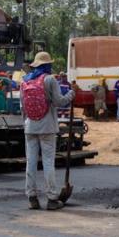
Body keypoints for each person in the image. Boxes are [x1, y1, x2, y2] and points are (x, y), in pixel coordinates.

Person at [21, 51, 77, 210]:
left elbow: (23, 107)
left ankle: (32, 197)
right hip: (47, 127)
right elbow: (60, 102)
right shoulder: (49, 80)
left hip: (30, 127)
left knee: (30, 162)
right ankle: (52, 198)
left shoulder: (25, 81)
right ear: (48, 65)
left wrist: (26, 124)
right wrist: (72, 93)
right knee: (48, 162)